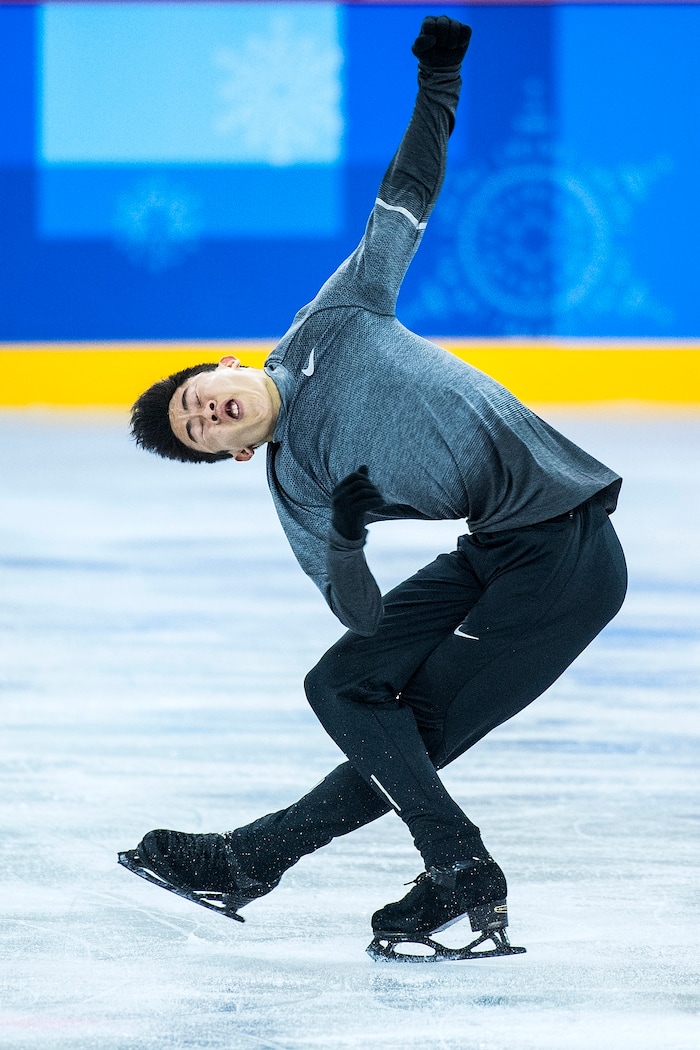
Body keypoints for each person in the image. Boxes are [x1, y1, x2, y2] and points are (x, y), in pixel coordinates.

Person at [120, 16, 627, 961]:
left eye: (199, 397)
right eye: (198, 431)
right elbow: (357, 615)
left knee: (413, 726)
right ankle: (266, 861)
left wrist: (440, 79)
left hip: (567, 550)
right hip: (499, 549)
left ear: (225, 365)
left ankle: (397, 866)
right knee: (345, 683)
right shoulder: (295, 481)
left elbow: (407, 194)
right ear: (229, 458)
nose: (207, 414)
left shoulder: (334, 319)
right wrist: (349, 537)